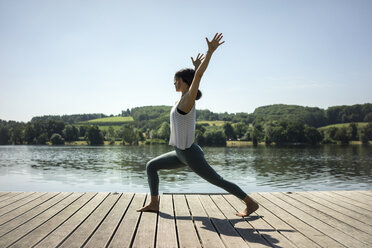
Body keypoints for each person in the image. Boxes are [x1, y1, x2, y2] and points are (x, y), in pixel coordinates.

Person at [136, 33, 259, 217]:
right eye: (174, 79)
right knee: (151, 166)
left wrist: (209, 52)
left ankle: (250, 203)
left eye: (177, 79)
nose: (174, 82)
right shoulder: (181, 100)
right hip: (180, 152)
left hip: (190, 154)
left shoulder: (188, 101)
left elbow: (199, 76)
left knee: (218, 181)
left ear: (186, 83)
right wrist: (193, 70)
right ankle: (154, 203)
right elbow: (196, 76)